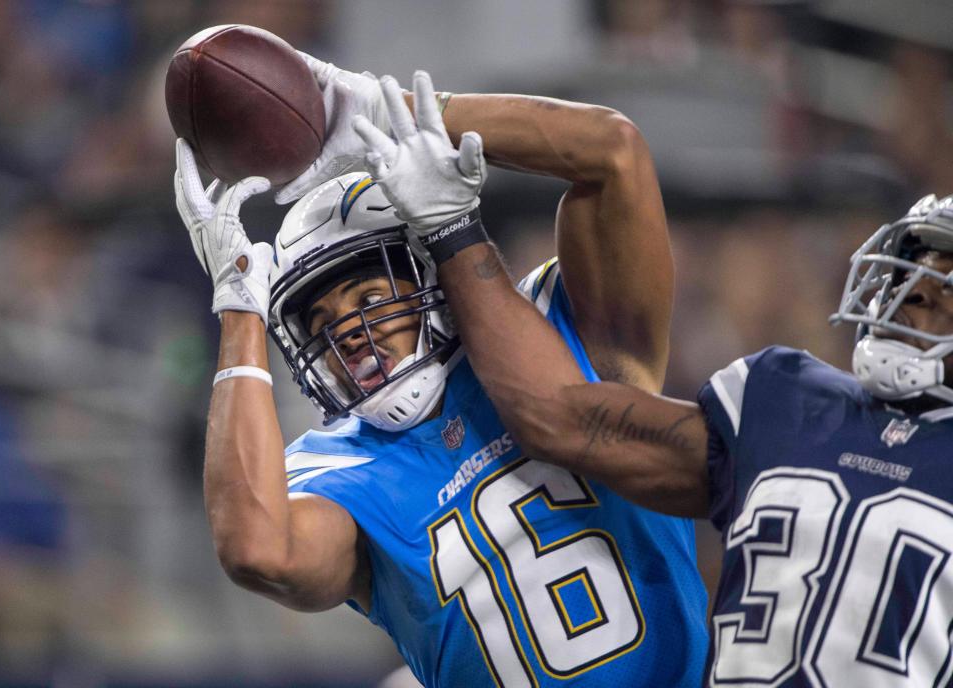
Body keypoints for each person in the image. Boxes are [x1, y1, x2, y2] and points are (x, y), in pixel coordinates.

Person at [359, 66, 953, 686]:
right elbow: (561, 416)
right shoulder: (794, 402)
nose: (913, 298)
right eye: (913, 276)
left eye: (943, 288)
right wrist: (451, 227)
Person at [173, 61, 709, 686]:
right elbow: (258, 549)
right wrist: (238, 311)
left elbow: (613, 151)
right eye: (319, 323)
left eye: (369, 300)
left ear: (431, 273)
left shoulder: (558, 328)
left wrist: (381, 110)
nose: (344, 332)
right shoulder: (337, 470)